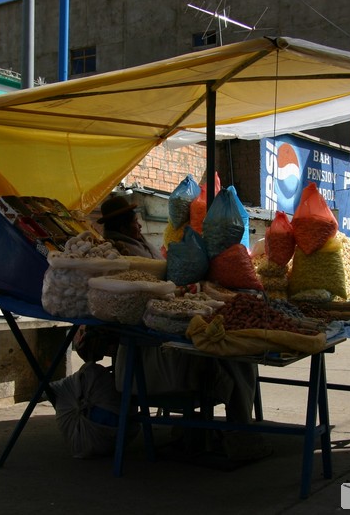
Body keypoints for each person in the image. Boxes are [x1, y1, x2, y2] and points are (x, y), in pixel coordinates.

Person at [96, 195, 268, 459]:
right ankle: (234, 426)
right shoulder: (120, 252)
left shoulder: (139, 244)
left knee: (236, 350)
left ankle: (237, 425)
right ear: (120, 225)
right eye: (133, 221)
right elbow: (138, 299)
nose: (139, 226)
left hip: (164, 320)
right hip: (149, 344)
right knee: (227, 351)